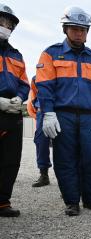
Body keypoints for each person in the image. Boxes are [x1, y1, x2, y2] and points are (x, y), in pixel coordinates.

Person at [36, 6, 91, 216]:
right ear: (65, 29)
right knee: (65, 158)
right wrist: (48, 113)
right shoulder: (51, 54)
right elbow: (44, 86)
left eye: (83, 30)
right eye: (75, 29)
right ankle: (72, 201)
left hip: (90, 117)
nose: (79, 33)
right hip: (63, 115)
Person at [0, 3, 29, 217]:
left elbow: (24, 83)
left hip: (13, 111)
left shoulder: (17, 55)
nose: (5, 25)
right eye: (1, 21)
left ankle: (2, 202)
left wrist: (20, 98)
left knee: (10, 160)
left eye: (8, 23)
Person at [27, 76, 52, 187]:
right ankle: (44, 175)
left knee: (66, 144)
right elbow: (33, 94)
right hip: (42, 111)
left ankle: (69, 180)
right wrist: (36, 112)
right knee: (41, 142)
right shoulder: (36, 78)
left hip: (61, 110)